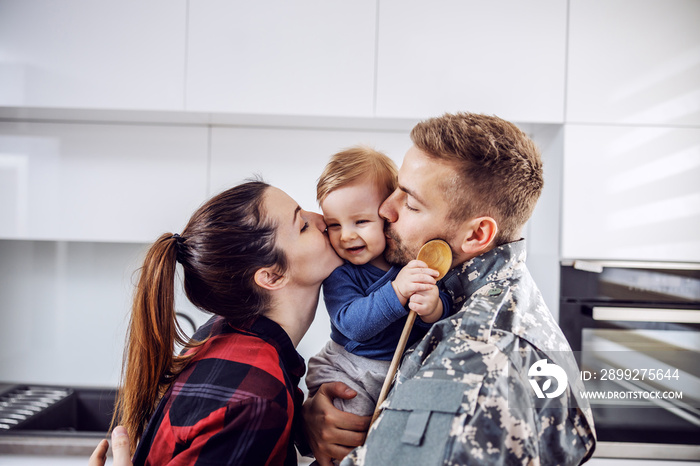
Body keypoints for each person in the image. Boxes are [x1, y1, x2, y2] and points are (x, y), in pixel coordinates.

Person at [302, 112, 597, 465]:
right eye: (396, 188)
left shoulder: (475, 363)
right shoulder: (473, 287)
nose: (384, 209)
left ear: (476, 235)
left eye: (410, 202)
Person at [106, 180, 344, 465]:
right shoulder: (257, 398)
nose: (323, 220)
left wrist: (300, 423)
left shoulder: (220, 332)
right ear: (271, 276)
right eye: (303, 225)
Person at [305, 146, 452, 418]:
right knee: (352, 429)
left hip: (397, 371)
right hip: (350, 370)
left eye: (360, 221)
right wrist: (396, 291)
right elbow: (353, 325)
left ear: (386, 214)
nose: (346, 236)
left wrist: (433, 308)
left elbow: (441, 308)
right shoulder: (341, 273)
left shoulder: (410, 260)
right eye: (334, 225)